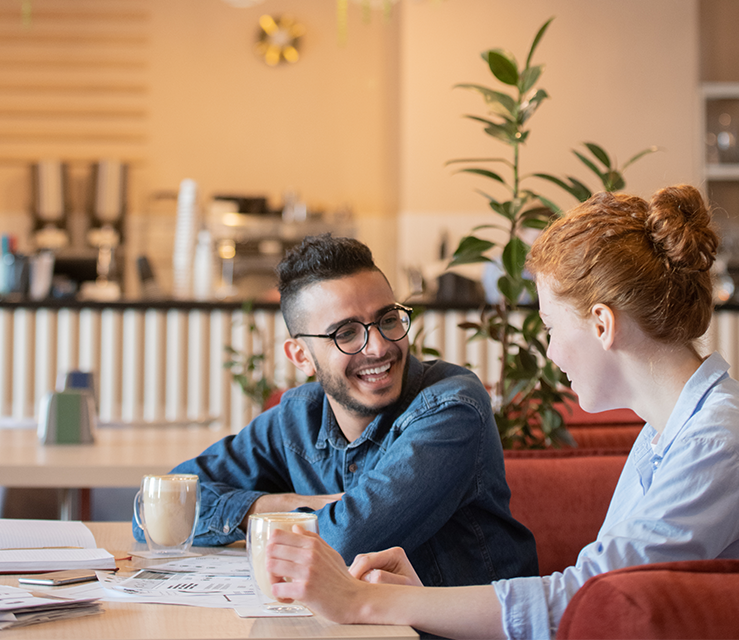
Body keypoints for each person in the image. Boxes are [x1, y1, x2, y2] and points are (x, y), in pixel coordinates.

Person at [264, 185, 739, 639]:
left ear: (601, 324)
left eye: (551, 328)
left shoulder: (716, 441)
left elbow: (589, 598)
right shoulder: (667, 431)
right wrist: (422, 599)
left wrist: (363, 602)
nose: (551, 354)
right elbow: (594, 597)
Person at [133, 234, 538, 587]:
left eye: (388, 320)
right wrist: (269, 505)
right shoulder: (296, 419)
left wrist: (266, 517)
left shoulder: (452, 407)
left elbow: (345, 541)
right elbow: (160, 511)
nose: (378, 347)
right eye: (346, 333)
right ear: (301, 356)